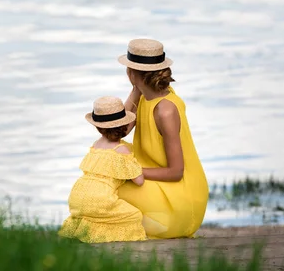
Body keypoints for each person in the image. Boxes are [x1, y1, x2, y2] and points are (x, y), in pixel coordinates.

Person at [116, 38, 208, 239]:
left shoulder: (165, 110)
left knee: (109, 193)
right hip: (161, 185)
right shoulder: (146, 96)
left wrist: (131, 171)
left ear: (131, 73)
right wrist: (136, 88)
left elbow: (176, 172)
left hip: (182, 197)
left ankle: (165, 225)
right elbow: (120, 131)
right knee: (107, 176)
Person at [58, 96, 147, 243]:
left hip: (77, 195)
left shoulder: (96, 145)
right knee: (134, 215)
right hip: (100, 198)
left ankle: (85, 233)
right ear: (124, 126)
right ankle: (105, 237)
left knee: (90, 215)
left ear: (98, 127)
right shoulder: (121, 150)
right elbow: (139, 181)